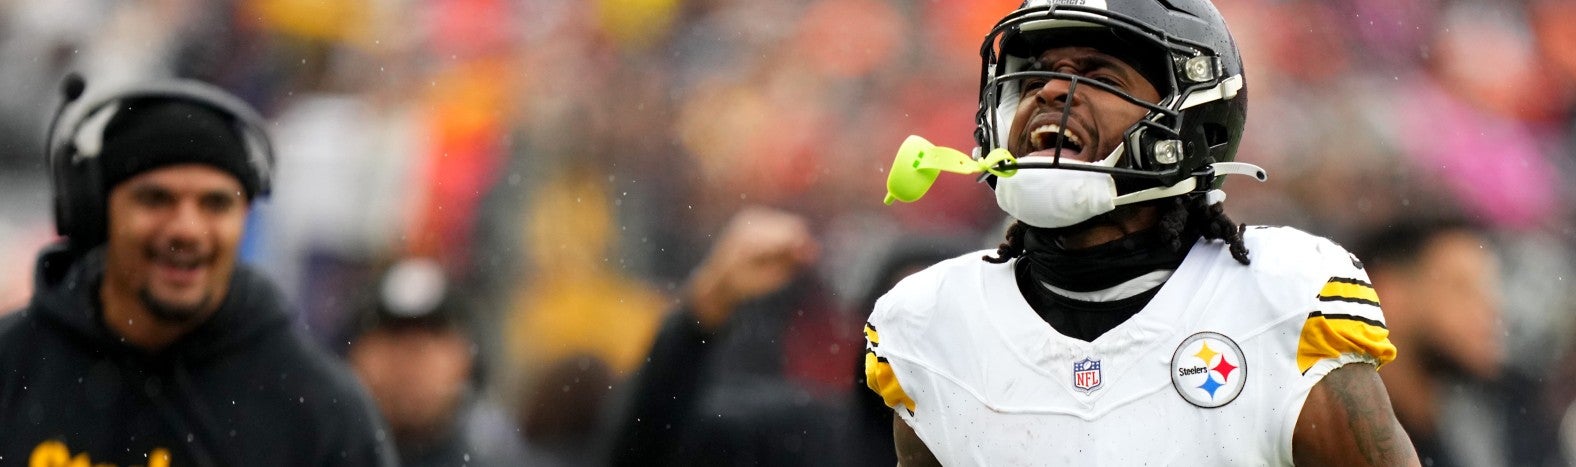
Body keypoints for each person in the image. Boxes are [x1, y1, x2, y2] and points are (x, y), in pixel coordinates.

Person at [864, 1, 1419, 465]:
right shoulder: (934, 323)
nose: (1050, 93)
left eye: (1099, 76)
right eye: (1032, 78)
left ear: (1191, 120)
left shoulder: (1281, 300)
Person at [0, 77, 397, 466]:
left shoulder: (317, 410)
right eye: (156, 199)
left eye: (215, 204)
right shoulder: (12, 366)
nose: (187, 229)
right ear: (97, 214)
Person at [1354, 217, 1508, 467]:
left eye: (1489, 290)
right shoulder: (1335, 439)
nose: (1492, 311)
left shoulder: (1481, 424)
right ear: (1388, 294)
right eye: (1462, 288)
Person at [346, 257, 523, 467]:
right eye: (392, 333)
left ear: (467, 359)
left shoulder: (503, 459)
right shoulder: (314, 453)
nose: (408, 357)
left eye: (433, 334)